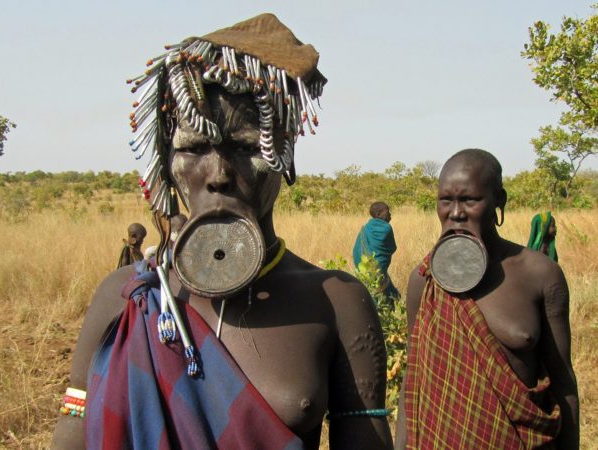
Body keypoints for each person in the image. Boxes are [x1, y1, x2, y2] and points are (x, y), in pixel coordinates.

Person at [52, 13, 392, 450]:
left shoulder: (337, 300)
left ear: (284, 155)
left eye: (247, 147)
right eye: (193, 148)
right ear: (164, 163)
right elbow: (73, 434)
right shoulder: (124, 297)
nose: (218, 174)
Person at [395, 149, 578, 449]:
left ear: (499, 201)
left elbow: (563, 379)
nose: (456, 212)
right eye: (446, 200)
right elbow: (413, 379)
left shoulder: (541, 275)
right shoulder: (424, 280)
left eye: (470, 200)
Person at [352, 201, 399, 300]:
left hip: (364, 269)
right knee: (387, 294)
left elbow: (356, 250)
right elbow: (392, 248)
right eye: (387, 211)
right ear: (378, 214)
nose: (390, 214)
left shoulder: (366, 227)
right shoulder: (386, 228)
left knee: (372, 288)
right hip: (378, 269)